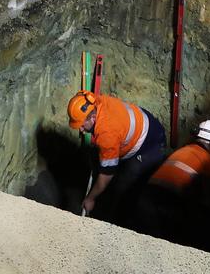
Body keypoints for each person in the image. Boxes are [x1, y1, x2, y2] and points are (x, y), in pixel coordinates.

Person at [67, 89, 167, 223]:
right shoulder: (96, 101)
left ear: (92, 117)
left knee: (122, 188)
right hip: (145, 122)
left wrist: (90, 198)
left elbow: (106, 175)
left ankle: (120, 224)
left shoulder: (106, 134)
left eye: (81, 124)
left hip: (151, 145)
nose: (80, 129)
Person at [138, 120, 210, 244]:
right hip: (170, 207)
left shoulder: (181, 151)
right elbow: (209, 199)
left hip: (145, 197)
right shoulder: (209, 162)